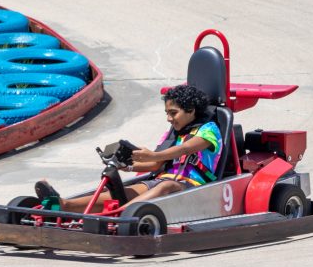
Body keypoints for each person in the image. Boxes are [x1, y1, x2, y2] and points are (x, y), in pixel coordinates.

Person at [34, 84, 223, 213]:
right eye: (167, 113)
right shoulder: (172, 134)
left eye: (173, 113)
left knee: (166, 185)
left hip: (193, 188)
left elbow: (186, 149)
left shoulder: (209, 130)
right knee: (125, 192)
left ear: (191, 110)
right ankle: (62, 205)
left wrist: (153, 154)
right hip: (161, 182)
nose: (169, 119)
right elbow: (156, 165)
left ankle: (120, 215)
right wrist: (127, 166)